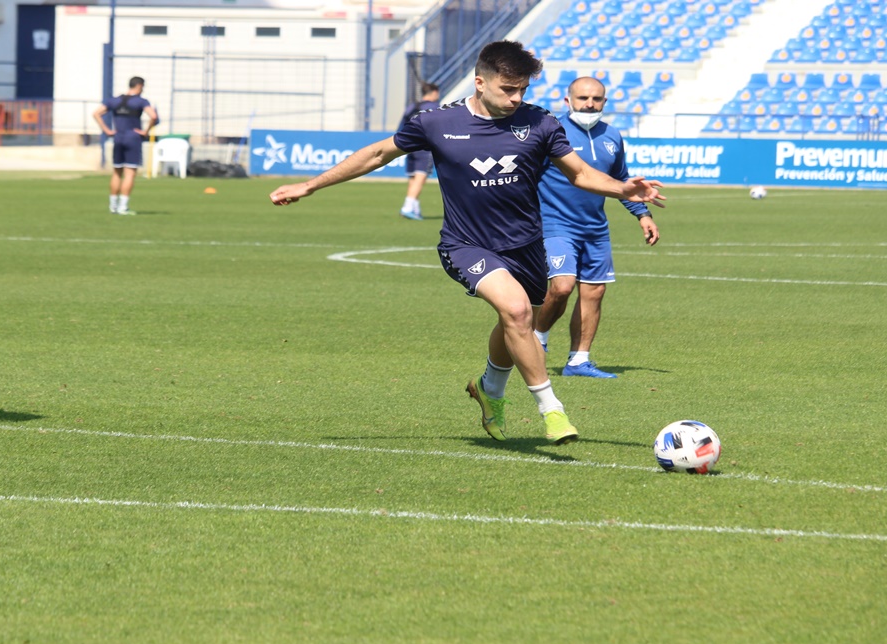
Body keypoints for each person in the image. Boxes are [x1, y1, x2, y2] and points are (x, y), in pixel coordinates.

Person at [270, 41, 664, 445]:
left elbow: (579, 173)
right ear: (480, 82)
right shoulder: (435, 122)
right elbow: (376, 154)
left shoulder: (541, 123)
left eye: (522, 90)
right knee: (515, 311)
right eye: (507, 89)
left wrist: (622, 189)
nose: (516, 98)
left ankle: (489, 389)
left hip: (526, 245)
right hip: (466, 243)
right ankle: (553, 411)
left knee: (517, 318)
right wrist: (310, 185)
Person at [534, 77, 660, 379]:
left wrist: (642, 214)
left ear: (604, 102)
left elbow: (621, 180)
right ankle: (536, 337)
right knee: (562, 286)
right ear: (568, 101)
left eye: (596, 99)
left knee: (594, 292)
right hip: (555, 224)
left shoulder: (612, 136)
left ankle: (578, 361)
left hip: (595, 228)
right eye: (582, 98)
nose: (589, 104)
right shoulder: (552, 132)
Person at [93, 76, 158, 215]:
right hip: (133, 138)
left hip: (118, 137)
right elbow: (153, 116)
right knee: (130, 173)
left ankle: (112, 206)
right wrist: (145, 131)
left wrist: (107, 131)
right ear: (139, 86)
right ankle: (123, 207)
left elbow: (96, 113)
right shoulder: (141, 101)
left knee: (117, 172)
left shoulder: (114, 100)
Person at [397, 82, 441, 220]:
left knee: (413, 177)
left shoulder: (412, 106)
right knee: (420, 177)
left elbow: (401, 126)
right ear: (434, 93)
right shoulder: (435, 108)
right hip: (424, 146)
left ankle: (414, 207)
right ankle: (408, 206)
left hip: (409, 145)